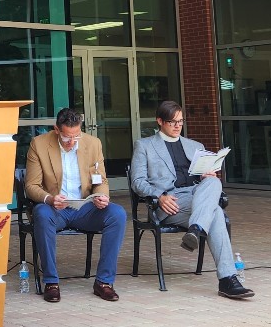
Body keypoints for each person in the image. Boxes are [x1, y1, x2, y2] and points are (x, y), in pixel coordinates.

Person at [130, 100, 254, 299]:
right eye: (172, 122)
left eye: (180, 121)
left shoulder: (194, 146)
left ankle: (196, 229)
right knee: (216, 213)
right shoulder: (144, 146)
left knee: (213, 182)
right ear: (160, 121)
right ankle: (227, 279)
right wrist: (159, 197)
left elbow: (202, 179)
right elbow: (137, 182)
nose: (178, 126)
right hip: (171, 202)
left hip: (197, 198)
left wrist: (205, 176)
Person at [25, 108, 126, 303]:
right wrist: (49, 199)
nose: (72, 142)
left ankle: (104, 282)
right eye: (66, 137)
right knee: (41, 214)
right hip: (55, 209)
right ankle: (51, 282)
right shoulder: (39, 144)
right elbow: (31, 186)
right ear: (56, 130)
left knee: (117, 214)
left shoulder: (93, 144)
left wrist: (102, 195)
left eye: (76, 136)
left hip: (85, 208)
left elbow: (101, 180)